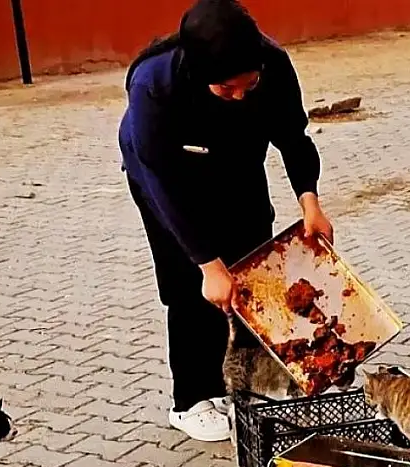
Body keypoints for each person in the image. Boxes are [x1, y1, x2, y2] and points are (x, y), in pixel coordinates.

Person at [118, 0, 335, 442]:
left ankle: (251, 383)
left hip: (237, 165)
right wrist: (208, 265)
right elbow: (162, 181)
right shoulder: (155, 85)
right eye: (227, 90)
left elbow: (293, 137)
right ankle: (192, 398)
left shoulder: (272, 64)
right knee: (188, 283)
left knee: (254, 264)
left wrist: (310, 201)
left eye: (248, 86)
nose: (240, 97)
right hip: (168, 176)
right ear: (200, 76)